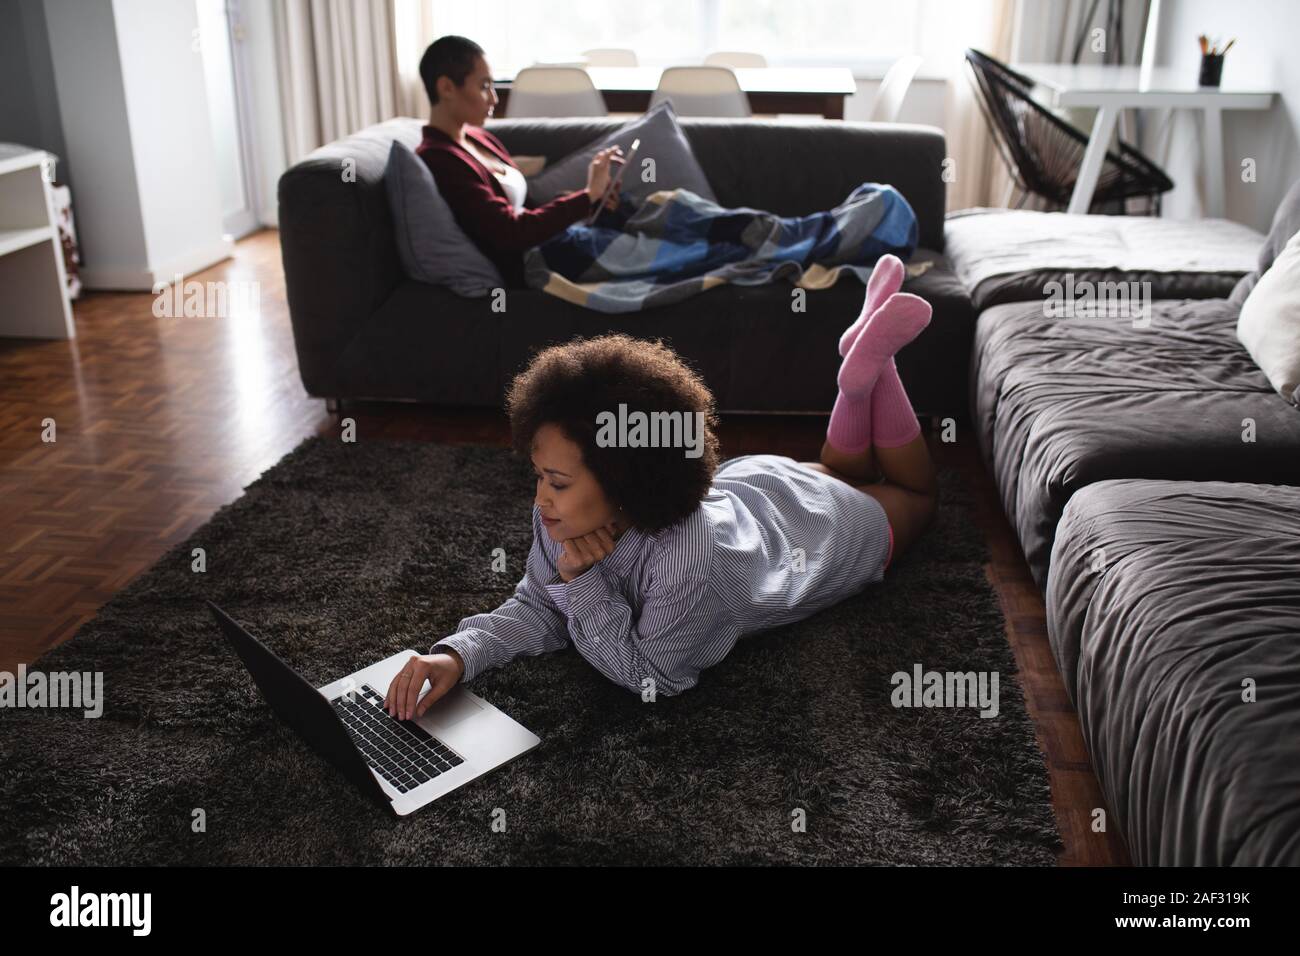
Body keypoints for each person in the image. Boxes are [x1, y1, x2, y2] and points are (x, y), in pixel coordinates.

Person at [385, 255, 938, 718]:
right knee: (851, 470)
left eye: (556, 481)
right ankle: (862, 364)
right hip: (757, 485)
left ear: (627, 480)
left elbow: (655, 677)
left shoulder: (691, 560)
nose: (539, 499)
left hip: (818, 530)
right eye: (539, 476)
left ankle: (876, 364)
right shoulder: (563, 513)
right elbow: (538, 603)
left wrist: (584, 584)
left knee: (916, 495)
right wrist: (457, 656)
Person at [415, 35, 624, 288]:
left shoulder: (478, 138)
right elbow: (510, 233)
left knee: (654, 208)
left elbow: (529, 208)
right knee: (675, 227)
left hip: (558, 240)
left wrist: (592, 201)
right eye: (484, 86)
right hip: (538, 259)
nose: (494, 99)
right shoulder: (439, 158)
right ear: (446, 88)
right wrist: (587, 196)